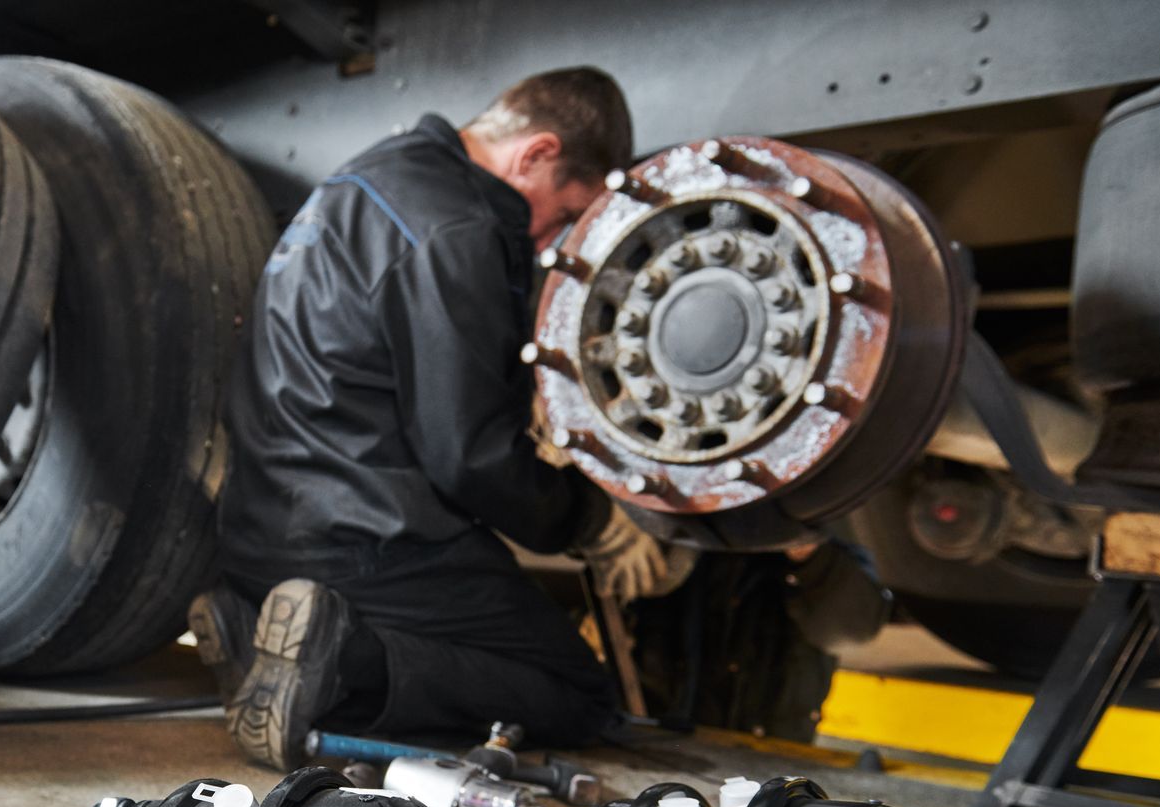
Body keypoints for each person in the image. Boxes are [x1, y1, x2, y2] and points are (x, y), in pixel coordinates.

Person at [189, 68, 673, 768]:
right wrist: (587, 520)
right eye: (566, 214)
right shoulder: (460, 225)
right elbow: (469, 455)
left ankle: (255, 624)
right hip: (361, 539)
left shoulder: (369, 177)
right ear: (535, 153)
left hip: (263, 525)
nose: (552, 244)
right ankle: (344, 662)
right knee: (578, 693)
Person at [632, 542, 891, 743]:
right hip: (664, 742)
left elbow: (853, 630)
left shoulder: (821, 551)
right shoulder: (669, 545)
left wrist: (808, 552)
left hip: (771, 752)